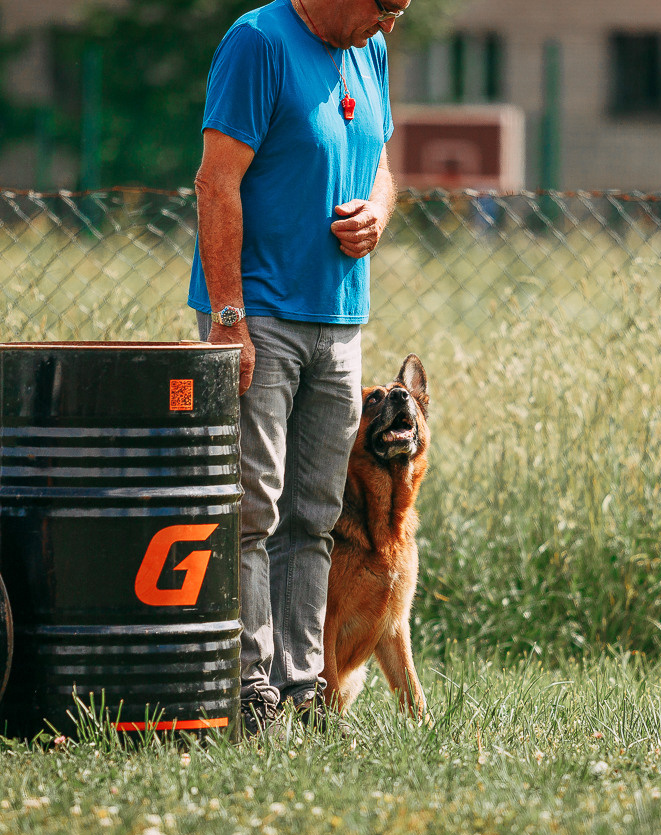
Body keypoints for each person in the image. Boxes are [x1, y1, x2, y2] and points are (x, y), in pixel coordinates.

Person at [188, 0, 408, 736]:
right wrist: (228, 318)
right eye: (385, 7)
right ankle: (250, 693)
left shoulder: (367, 49)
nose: (388, 26)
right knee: (254, 509)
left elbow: (383, 161)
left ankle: (302, 688)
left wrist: (379, 210)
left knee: (315, 515)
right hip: (262, 317)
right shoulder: (258, 43)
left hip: (339, 319)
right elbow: (216, 182)